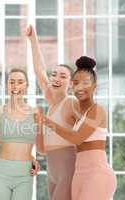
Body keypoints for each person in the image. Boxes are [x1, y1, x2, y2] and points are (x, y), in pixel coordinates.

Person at [39, 56, 117, 200]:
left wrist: (46, 121)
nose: (80, 87)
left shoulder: (97, 110)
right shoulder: (79, 115)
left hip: (97, 174)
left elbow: (77, 138)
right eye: (76, 83)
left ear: (94, 86)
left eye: (85, 83)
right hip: (79, 174)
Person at [26, 25, 78, 200]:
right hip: (52, 169)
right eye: (54, 74)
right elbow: (40, 71)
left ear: (71, 84)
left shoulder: (72, 102)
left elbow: (84, 135)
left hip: (68, 168)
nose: (56, 78)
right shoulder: (52, 104)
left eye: (63, 76)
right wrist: (33, 40)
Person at [0, 68, 41, 200]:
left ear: (27, 85)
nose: (16, 86)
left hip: (25, 172)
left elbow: (41, 144)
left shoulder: (35, 113)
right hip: (1, 170)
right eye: (11, 82)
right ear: (6, 85)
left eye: (20, 82)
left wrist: (31, 157)